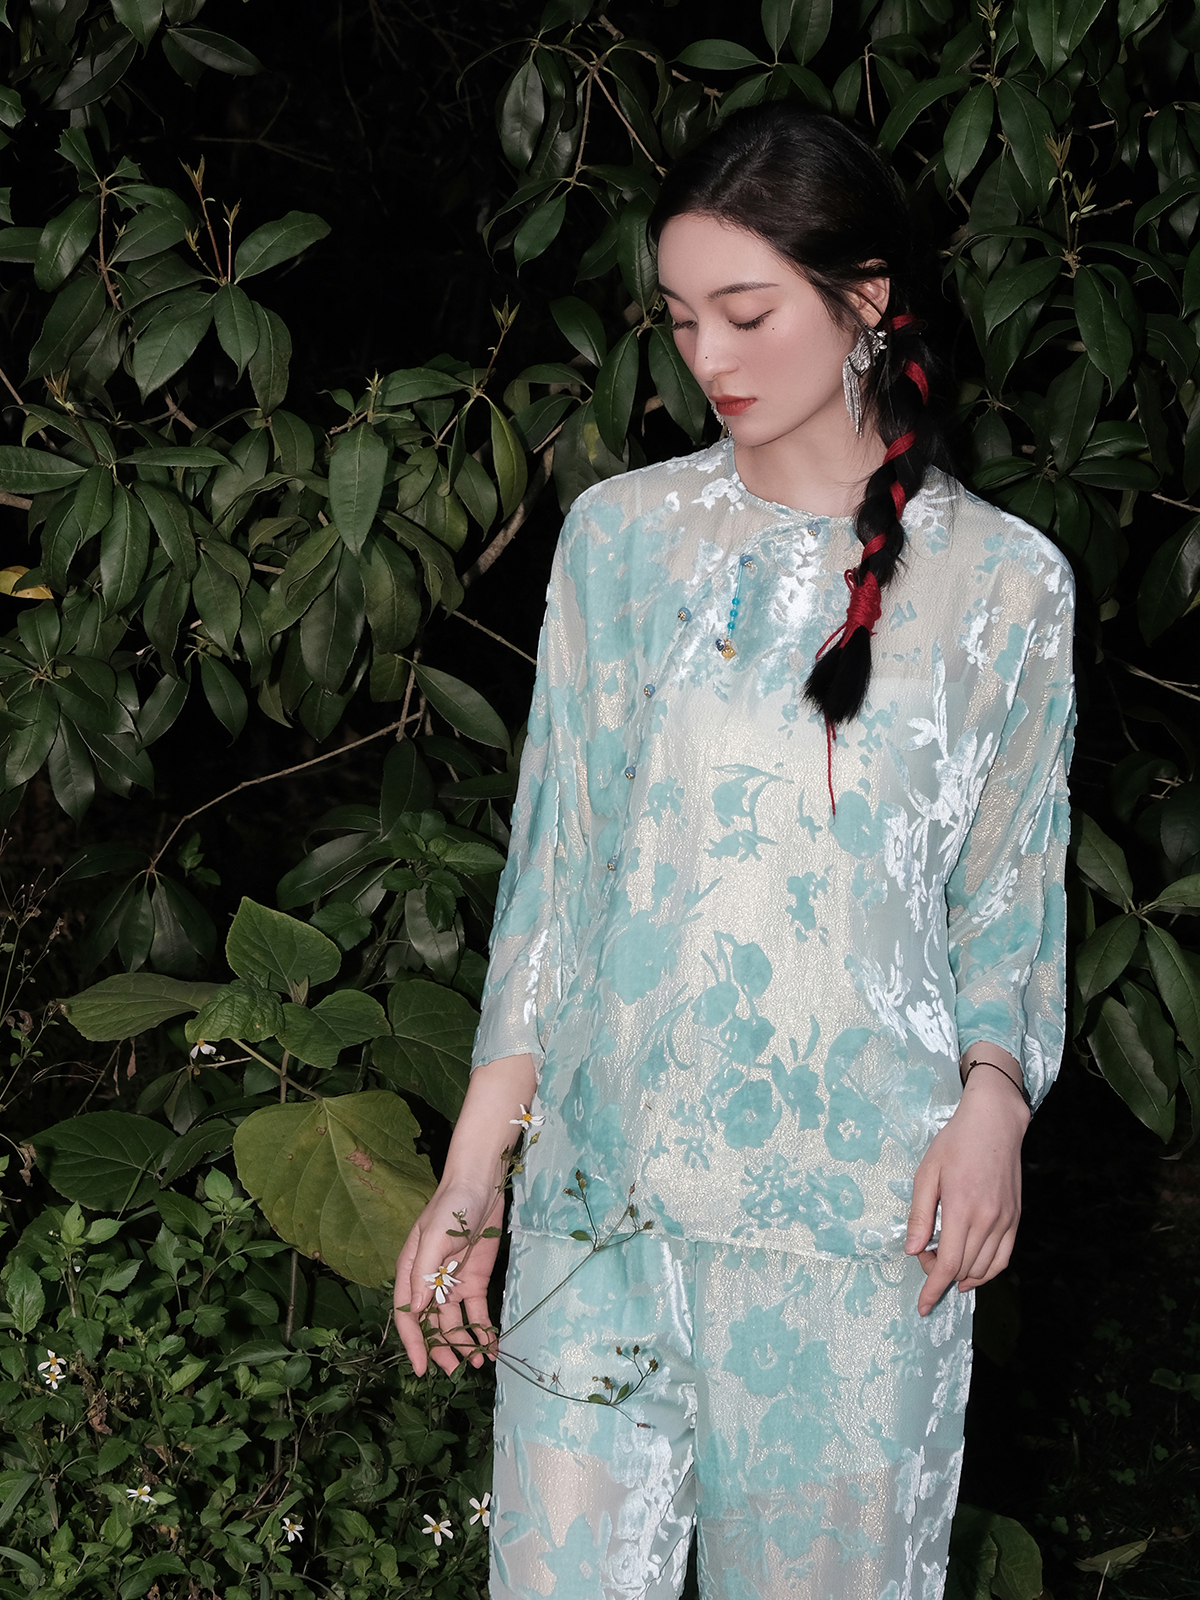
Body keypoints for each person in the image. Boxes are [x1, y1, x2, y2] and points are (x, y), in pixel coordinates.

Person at [395, 103, 1075, 1600]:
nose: (709, 356)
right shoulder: (622, 541)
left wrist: (995, 1105)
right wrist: (475, 1174)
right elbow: (555, 881)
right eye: (682, 316)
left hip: (860, 1229)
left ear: (866, 301)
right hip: (604, 1211)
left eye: (748, 313)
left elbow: (1010, 896)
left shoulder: (1007, 584)